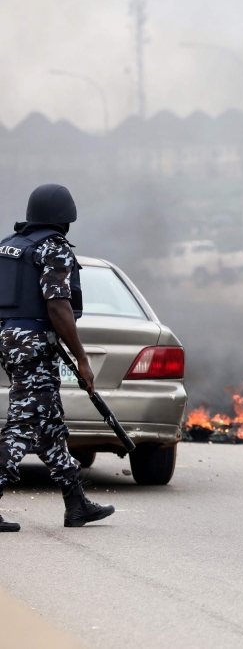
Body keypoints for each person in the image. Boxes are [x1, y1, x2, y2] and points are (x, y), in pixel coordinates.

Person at [0, 184, 115, 532]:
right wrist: (81, 358)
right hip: (34, 342)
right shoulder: (53, 248)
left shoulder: (11, 246)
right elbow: (58, 306)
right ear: (65, 216)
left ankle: (76, 503)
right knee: (23, 425)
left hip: (10, 338)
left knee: (48, 425)